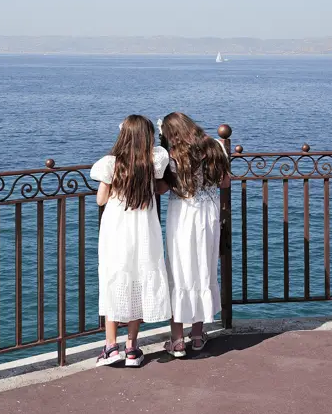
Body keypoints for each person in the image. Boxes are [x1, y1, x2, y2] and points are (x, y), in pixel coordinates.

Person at [91, 114, 171, 368]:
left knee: (115, 279)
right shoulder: (154, 160)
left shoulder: (111, 164)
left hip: (116, 227)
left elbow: (101, 200)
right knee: (139, 279)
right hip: (144, 227)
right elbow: (159, 188)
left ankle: (110, 346)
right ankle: (132, 349)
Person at [158, 112, 230, 357]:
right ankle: (198, 336)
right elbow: (225, 183)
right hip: (207, 216)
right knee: (202, 268)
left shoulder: (172, 156)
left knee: (178, 271)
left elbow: (163, 188)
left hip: (182, 215)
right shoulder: (215, 147)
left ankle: (177, 340)